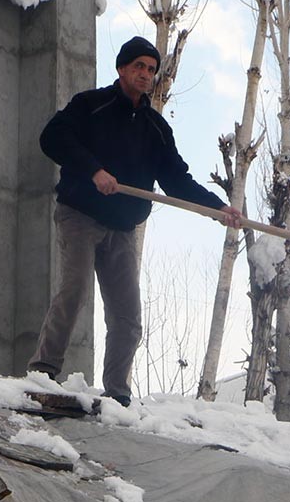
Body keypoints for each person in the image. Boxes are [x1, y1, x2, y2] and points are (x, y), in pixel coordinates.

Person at [29, 36, 240, 405]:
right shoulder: (91, 105)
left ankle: (116, 397)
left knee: (127, 317)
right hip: (80, 214)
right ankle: (43, 372)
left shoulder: (156, 130)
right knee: (75, 290)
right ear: (122, 69)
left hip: (123, 229)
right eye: (139, 66)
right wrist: (94, 171)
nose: (145, 74)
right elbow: (52, 138)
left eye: (151, 69)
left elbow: (177, 180)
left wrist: (217, 208)